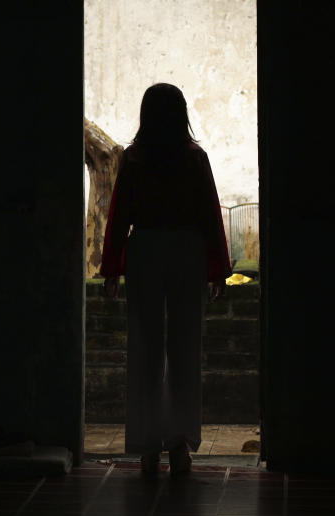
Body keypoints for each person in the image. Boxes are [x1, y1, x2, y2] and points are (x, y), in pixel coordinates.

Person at [99, 83, 232, 476]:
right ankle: (179, 445)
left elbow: (119, 217)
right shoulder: (194, 158)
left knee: (145, 347)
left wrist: (111, 268)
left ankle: (147, 446)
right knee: (185, 347)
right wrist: (217, 268)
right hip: (187, 251)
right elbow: (210, 215)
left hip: (145, 252)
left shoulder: (135, 159)